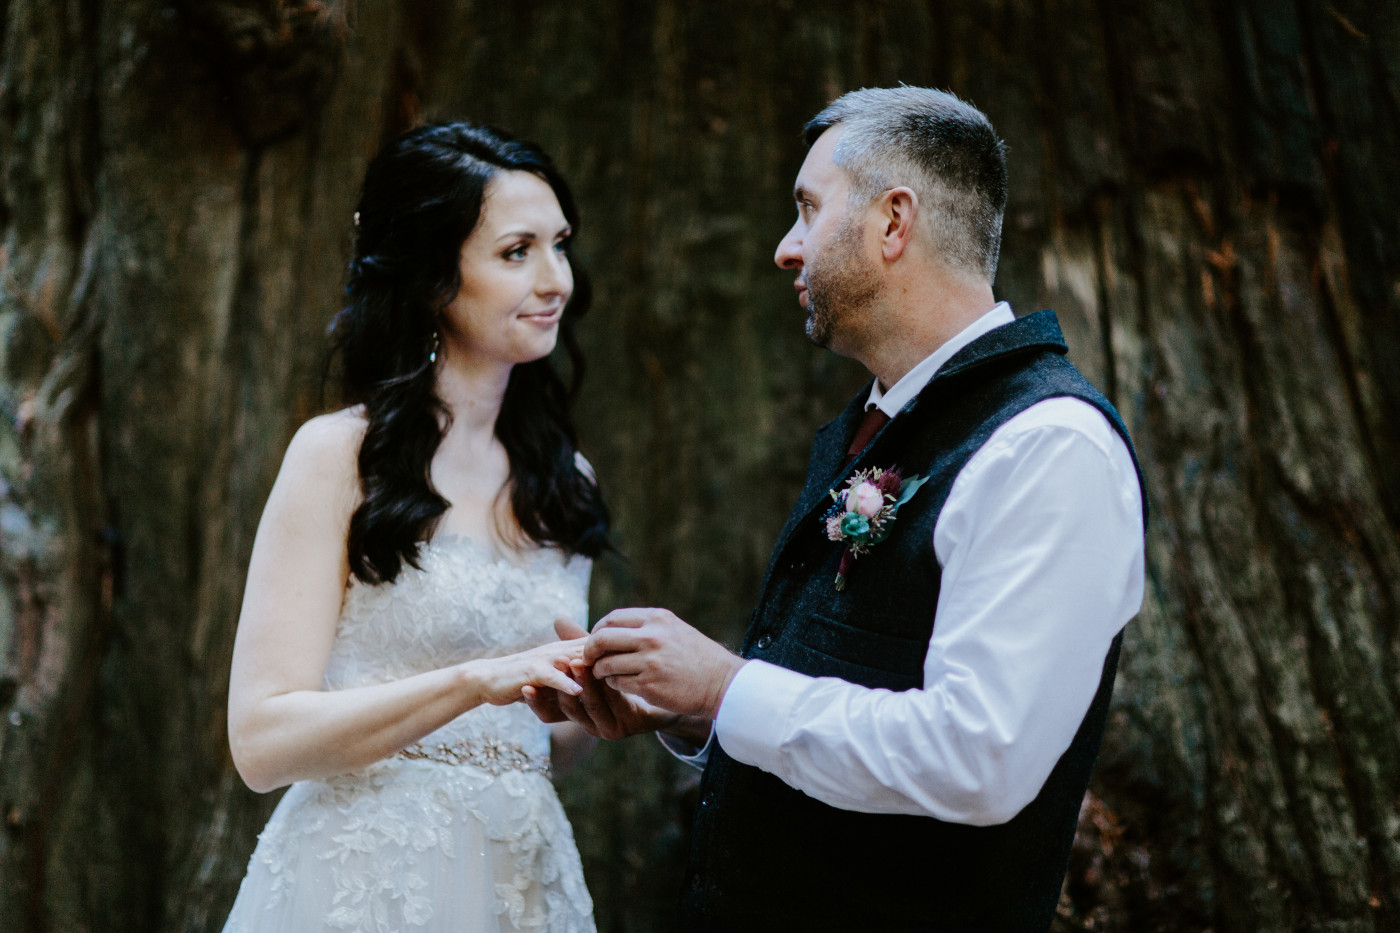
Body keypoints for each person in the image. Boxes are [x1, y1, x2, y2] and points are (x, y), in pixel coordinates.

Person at [526, 87, 1146, 932]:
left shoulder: (1047, 448)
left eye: (808, 211)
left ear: (894, 222)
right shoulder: (880, 423)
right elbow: (844, 685)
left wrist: (729, 687)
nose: (786, 250)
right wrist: (699, 709)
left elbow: (978, 757)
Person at [221, 122, 608, 933]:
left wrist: (592, 705)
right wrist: (475, 680)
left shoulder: (565, 485)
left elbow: (541, 746)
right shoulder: (339, 456)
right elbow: (260, 740)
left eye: (559, 245)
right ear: (435, 277)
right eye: (516, 252)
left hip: (522, 881)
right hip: (363, 882)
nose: (555, 280)